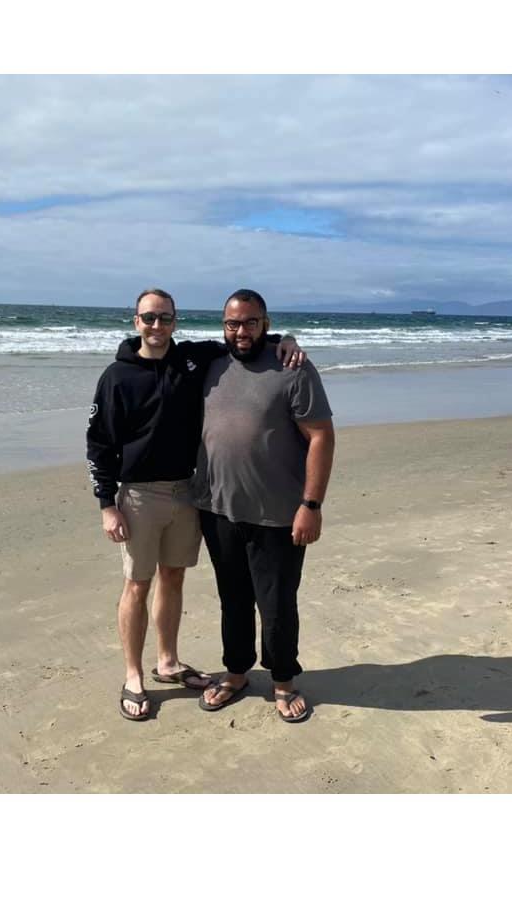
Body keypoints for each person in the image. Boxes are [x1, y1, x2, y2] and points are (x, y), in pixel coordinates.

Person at [86, 288, 304, 721]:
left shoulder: (192, 359)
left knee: (173, 578)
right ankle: (133, 676)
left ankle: (167, 662)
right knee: (137, 584)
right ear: (135, 322)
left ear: (175, 321)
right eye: (148, 317)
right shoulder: (116, 377)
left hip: (189, 492)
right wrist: (106, 504)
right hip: (139, 495)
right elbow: (98, 444)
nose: (156, 325)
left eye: (165, 318)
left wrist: (287, 339)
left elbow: (243, 337)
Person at [192, 288, 335, 723]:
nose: (241, 331)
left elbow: (321, 437)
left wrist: (311, 504)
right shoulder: (210, 365)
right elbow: (149, 353)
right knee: (232, 598)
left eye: (250, 322)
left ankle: (284, 680)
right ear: (223, 326)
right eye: (233, 323)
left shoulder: (292, 366)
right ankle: (236, 672)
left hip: (278, 513)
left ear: (265, 324)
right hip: (217, 509)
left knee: (276, 603)